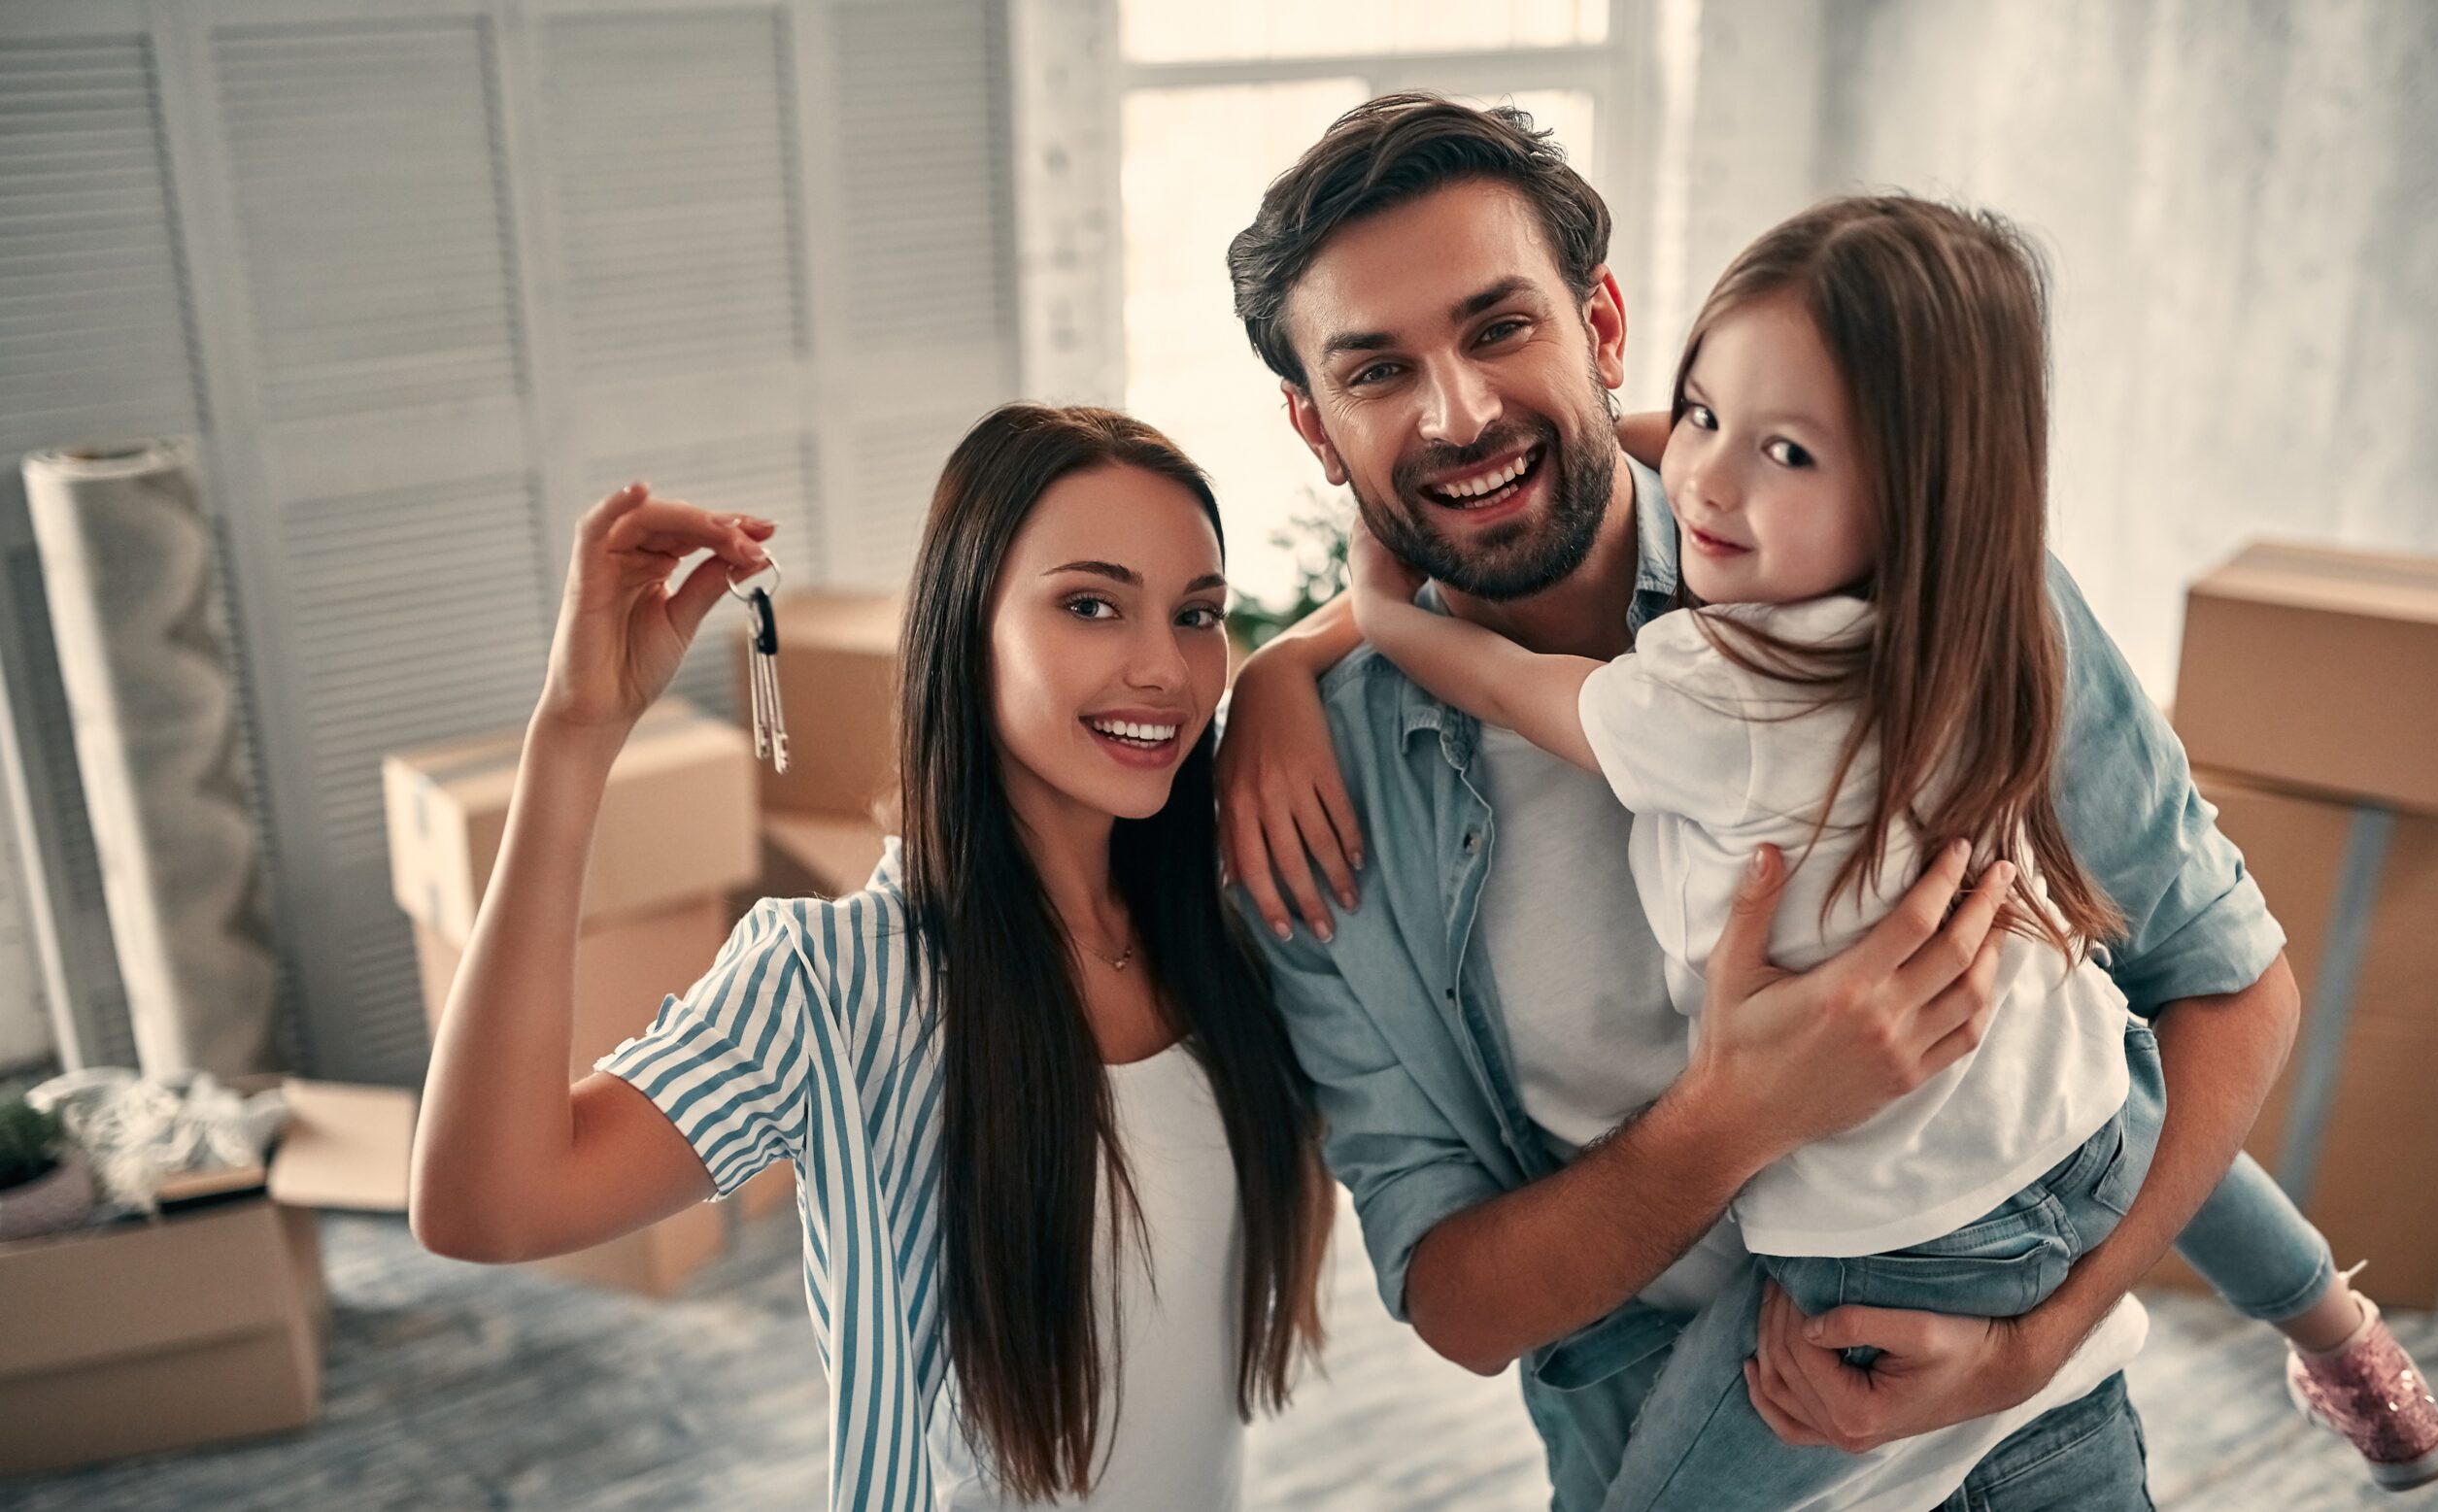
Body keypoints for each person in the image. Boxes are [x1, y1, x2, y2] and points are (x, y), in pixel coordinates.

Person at [1209, 92, 2300, 1511]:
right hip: (1693, 1456)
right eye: (1375, 373)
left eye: (1499, 328)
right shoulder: (1316, 803)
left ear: (1600, 325)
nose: (1460, 411)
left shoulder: (1928, 578)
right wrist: (1742, 1110)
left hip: (2044, 1450)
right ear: (1313, 423)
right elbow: (1457, 1301)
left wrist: (2034, 1341)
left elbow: (2225, 987)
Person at [409, 403, 1331, 1512]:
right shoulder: (836, 982)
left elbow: (1403, 588)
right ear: (964, 628)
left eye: (1197, 616)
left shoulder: (1224, 925)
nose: (1165, 669)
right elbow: (485, 1205)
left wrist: (1288, 666)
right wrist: (573, 734)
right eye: (1091, 606)